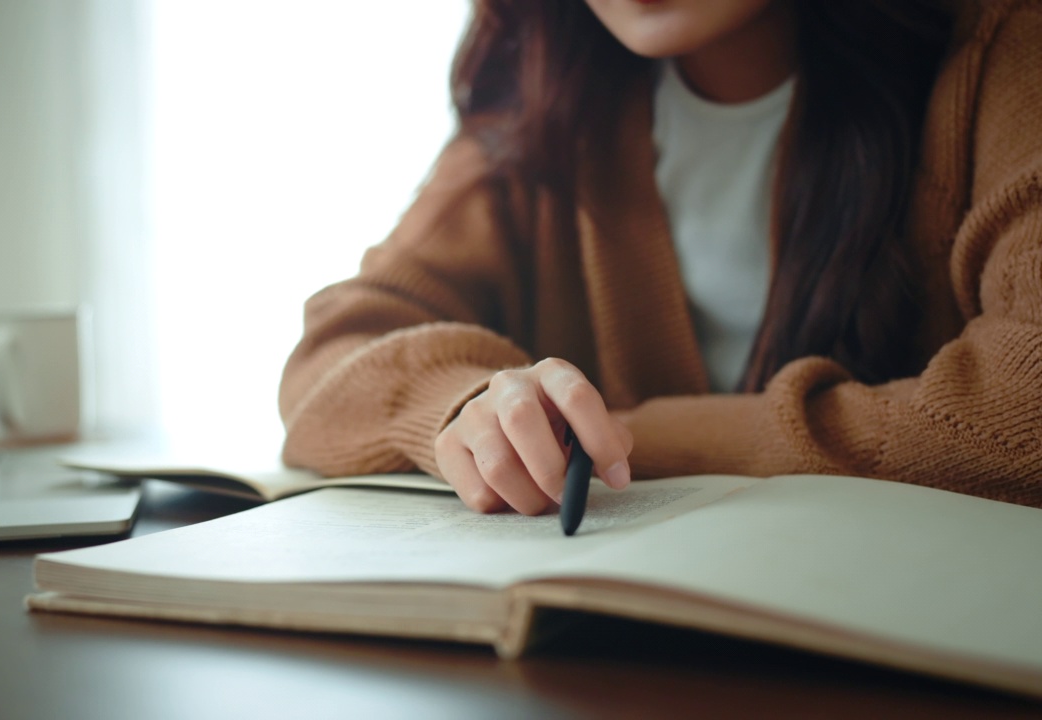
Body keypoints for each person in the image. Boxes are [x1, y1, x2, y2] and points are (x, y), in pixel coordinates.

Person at [278, 0, 1042, 513]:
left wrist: (624, 438)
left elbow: (1025, 411)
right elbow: (333, 351)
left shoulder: (1002, 48)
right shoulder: (543, 101)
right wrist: (472, 409)